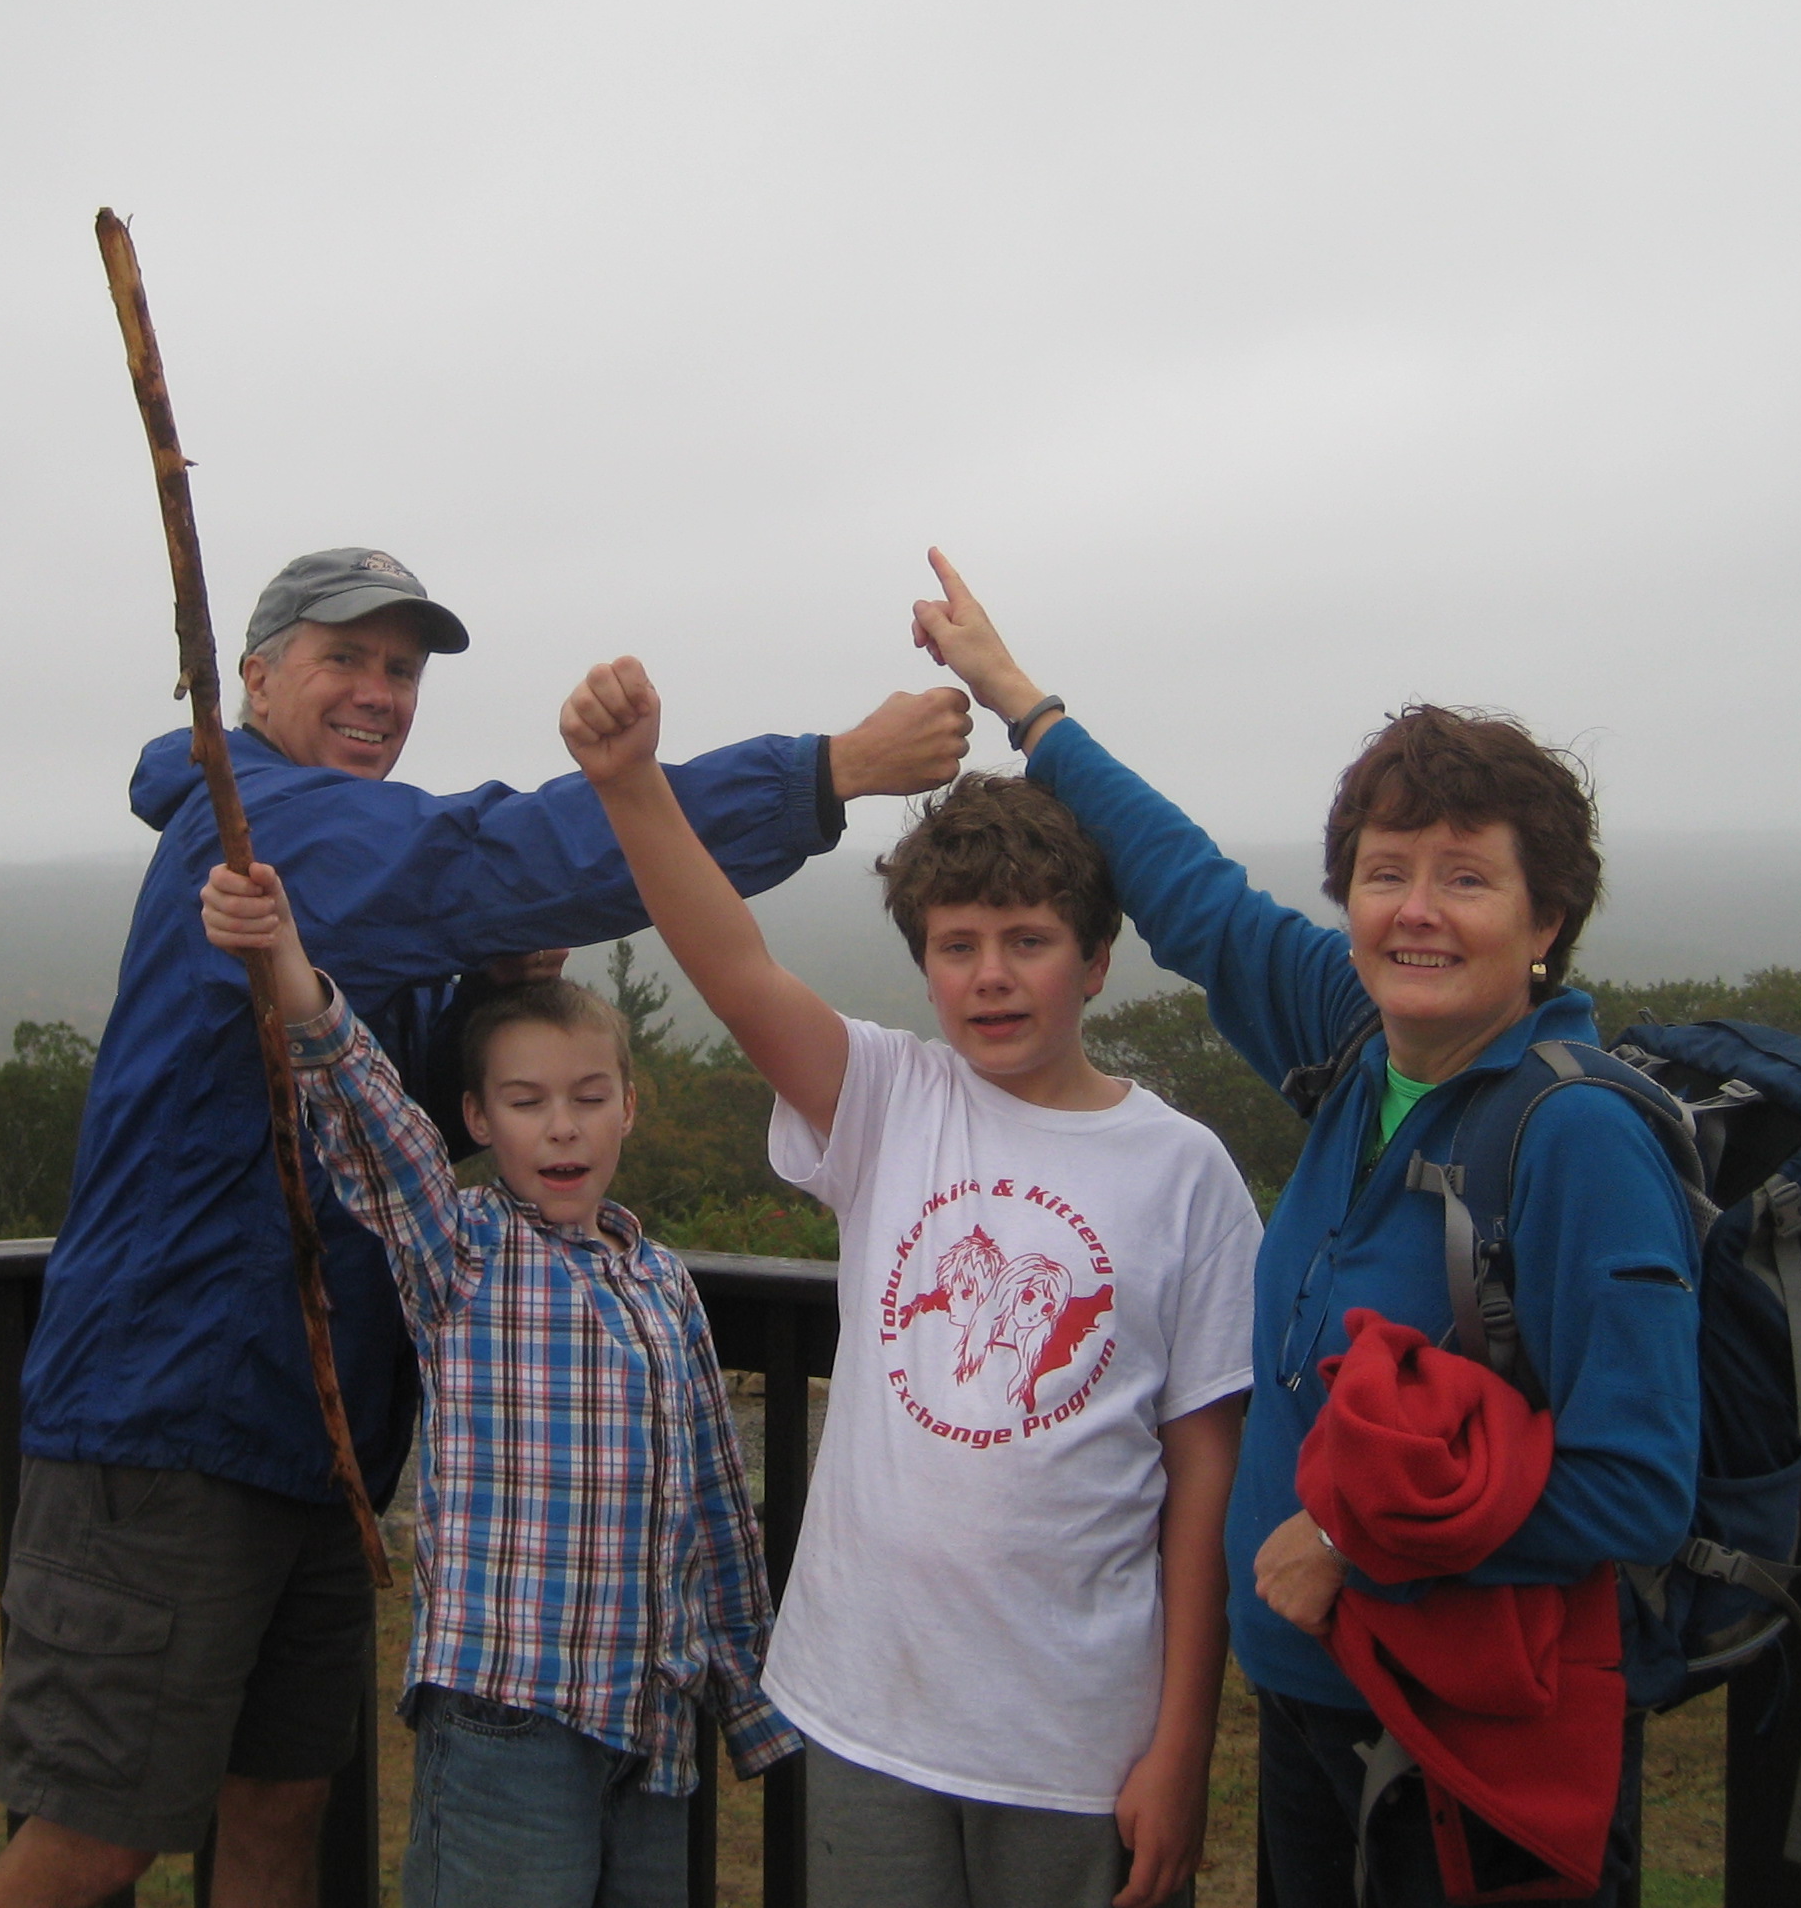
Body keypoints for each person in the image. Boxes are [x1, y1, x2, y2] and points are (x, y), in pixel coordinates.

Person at [0, 549, 971, 1908]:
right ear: (253, 677)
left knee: (281, 1808)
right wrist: (823, 774)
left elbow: (391, 1106)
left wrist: (490, 989)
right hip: (167, 1420)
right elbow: (487, 856)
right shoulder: (250, 828)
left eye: (402, 669)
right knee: (96, 1835)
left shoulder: (317, 856)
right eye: (345, 658)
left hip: (313, 1441)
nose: (380, 692)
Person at [907, 550, 1702, 1908]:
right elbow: (1194, 899)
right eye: (1385, 875)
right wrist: (1020, 702)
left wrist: (1351, 1544)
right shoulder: (1359, 1045)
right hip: (1317, 1709)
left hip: (1476, 1747)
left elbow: (1637, 1486)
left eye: (1467, 879)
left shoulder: (1578, 1138)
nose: (1416, 911)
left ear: (1548, 921)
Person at [560, 655, 1259, 1908]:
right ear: (924, 962)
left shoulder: (1183, 1171)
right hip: (865, 1704)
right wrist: (629, 786)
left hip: (1078, 1739)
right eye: (957, 945)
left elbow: (1206, 1471)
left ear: (1097, 961)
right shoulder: (889, 1099)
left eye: (1029, 941)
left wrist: (1182, 1743)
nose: (990, 974)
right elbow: (736, 968)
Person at [198, 855, 795, 1908]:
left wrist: (751, 1701)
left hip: (654, 1729)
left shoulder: (662, 1283)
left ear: (628, 1109)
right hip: (507, 1713)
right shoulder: (461, 1250)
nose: (561, 1125)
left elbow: (714, 1502)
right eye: (527, 1102)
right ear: (477, 1118)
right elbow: (369, 1119)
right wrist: (286, 957)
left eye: (589, 1097)